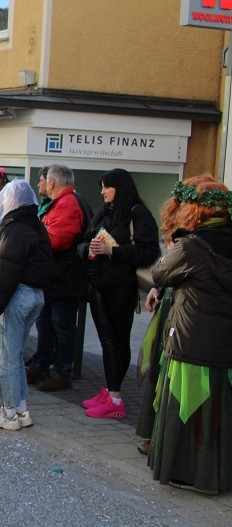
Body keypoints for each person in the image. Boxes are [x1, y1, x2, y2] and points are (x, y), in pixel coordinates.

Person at [146, 175, 232, 494]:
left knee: (189, 409)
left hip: (192, 340)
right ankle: (218, 477)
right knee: (221, 411)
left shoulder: (193, 247)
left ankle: (188, 474)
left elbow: (159, 274)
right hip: (226, 345)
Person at [81, 168, 160, 420]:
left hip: (121, 287)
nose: (102, 191)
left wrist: (113, 251)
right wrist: (90, 250)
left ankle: (116, 398)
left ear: (120, 188)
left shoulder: (138, 213)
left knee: (117, 340)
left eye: (107, 186)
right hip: (98, 284)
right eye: (102, 187)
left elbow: (148, 253)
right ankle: (109, 390)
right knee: (107, 341)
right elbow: (82, 242)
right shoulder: (104, 213)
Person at [0, 181, 52, 431]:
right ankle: (20, 408)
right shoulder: (36, 225)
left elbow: (7, 273)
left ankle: (9, 412)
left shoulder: (14, 228)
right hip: (36, 295)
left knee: (7, 356)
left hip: (18, 295)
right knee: (16, 354)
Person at [28, 164, 92, 392]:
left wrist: (35, 239)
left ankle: (62, 371)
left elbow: (57, 241)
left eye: (43, 180)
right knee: (46, 324)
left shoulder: (68, 204)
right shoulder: (61, 203)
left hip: (65, 279)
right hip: (55, 278)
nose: (39, 184)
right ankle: (42, 364)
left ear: (52, 182)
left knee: (62, 326)